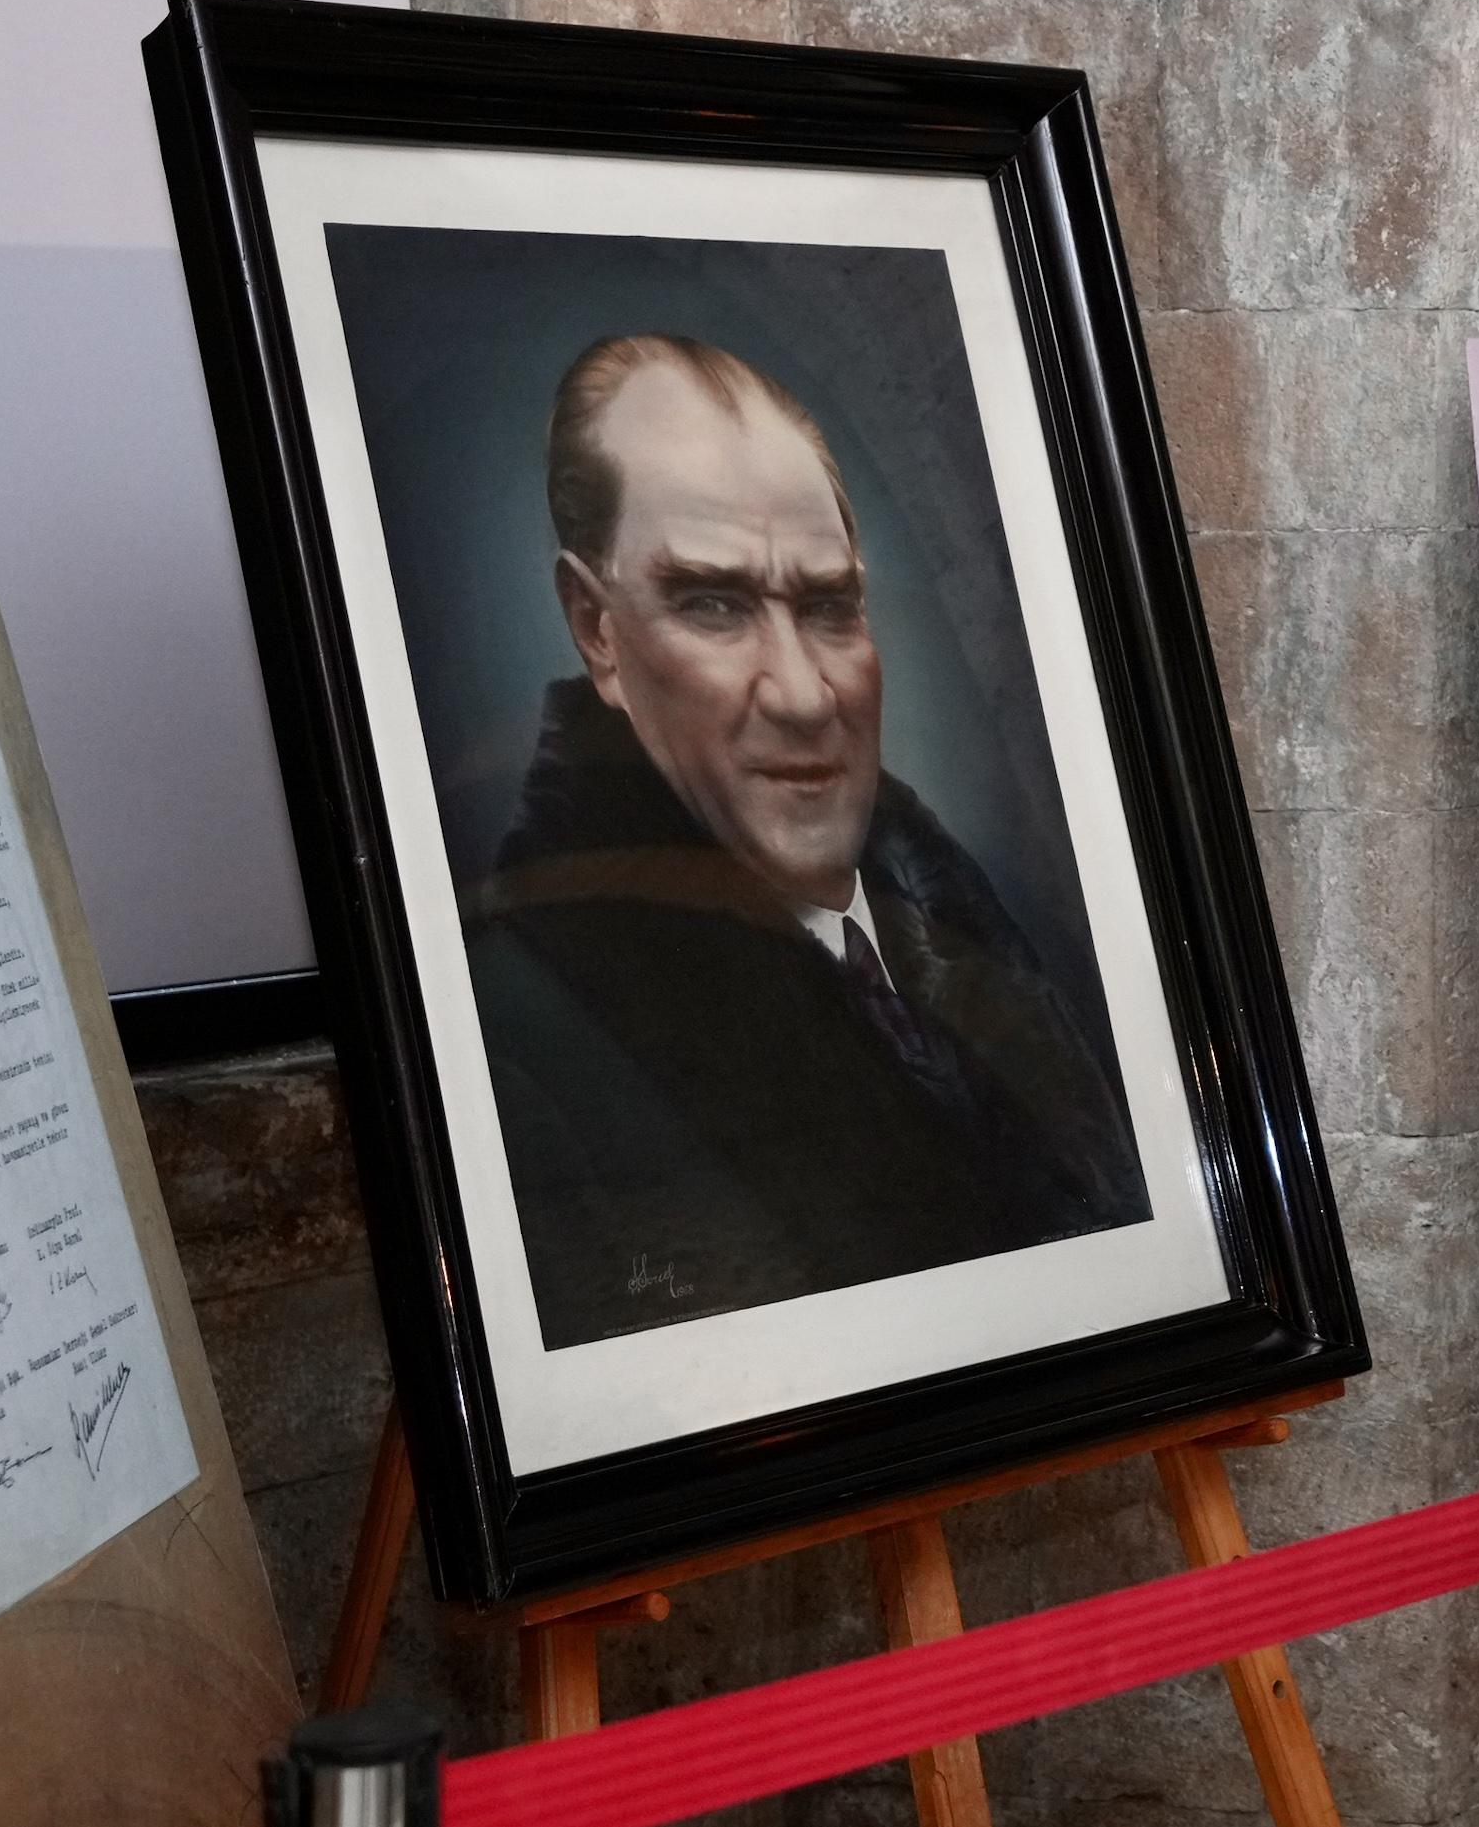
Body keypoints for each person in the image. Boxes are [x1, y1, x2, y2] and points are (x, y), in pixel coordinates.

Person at [466, 333, 1145, 1344]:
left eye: (829, 607)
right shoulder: (529, 1039)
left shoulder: (966, 925)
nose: (798, 692)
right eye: (712, 602)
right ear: (595, 627)